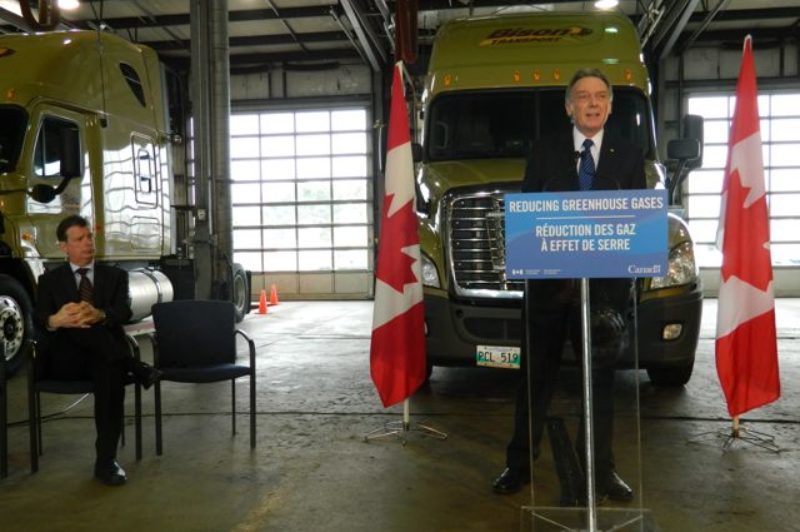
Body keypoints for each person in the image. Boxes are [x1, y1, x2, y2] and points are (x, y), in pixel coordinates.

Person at [492, 68, 646, 501]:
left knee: (599, 383)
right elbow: (526, 221)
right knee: (534, 382)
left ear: (611, 106)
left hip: (601, 297)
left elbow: (634, 227)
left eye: (600, 96)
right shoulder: (544, 152)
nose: (592, 103)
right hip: (548, 293)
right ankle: (519, 465)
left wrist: (617, 294)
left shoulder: (629, 156)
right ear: (568, 107)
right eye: (583, 96)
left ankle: (602, 469)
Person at [34, 215, 161, 486]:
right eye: (79, 239)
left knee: (110, 374)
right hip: (66, 361)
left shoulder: (115, 276)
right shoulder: (49, 281)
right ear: (64, 247)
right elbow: (39, 319)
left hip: (103, 359)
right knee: (76, 323)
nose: (88, 243)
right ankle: (135, 366)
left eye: (89, 237)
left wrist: (99, 314)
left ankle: (106, 462)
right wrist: (56, 320)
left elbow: (124, 310)